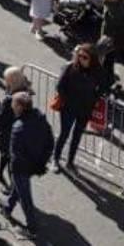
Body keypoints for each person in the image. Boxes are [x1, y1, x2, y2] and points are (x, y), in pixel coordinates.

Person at [0, 92, 54, 239]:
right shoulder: (40, 119)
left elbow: (15, 154)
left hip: (22, 168)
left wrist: (15, 169)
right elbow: (50, 141)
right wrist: (42, 161)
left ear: (20, 107)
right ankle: (7, 206)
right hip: (35, 164)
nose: (12, 107)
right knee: (19, 188)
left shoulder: (18, 127)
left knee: (25, 198)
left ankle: (31, 229)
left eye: (14, 105)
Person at [52, 44, 107, 172]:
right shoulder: (70, 67)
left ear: (92, 58)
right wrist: (67, 99)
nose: (81, 59)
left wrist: (95, 98)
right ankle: (55, 159)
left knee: (77, 136)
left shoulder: (98, 71)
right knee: (64, 134)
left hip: (85, 109)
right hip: (69, 108)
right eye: (79, 56)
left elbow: (104, 86)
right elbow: (60, 85)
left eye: (84, 57)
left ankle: (70, 162)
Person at [0, 66, 31, 186]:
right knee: (6, 156)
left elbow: (2, 121)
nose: (4, 81)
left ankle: (12, 187)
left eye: (6, 79)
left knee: (11, 162)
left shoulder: (9, 100)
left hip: (9, 135)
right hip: (21, 133)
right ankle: (1, 172)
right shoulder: (25, 92)